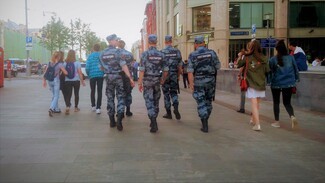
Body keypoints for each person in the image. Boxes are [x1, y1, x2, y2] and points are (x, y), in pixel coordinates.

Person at [100, 34, 134, 131]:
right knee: (120, 97)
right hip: (118, 77)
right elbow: (123, 65)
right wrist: (130, 78)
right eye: (116, 40)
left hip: (108, 77)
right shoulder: (118, 52)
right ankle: (119, 120)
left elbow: (101, 67)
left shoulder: (102, 53)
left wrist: (107, 71)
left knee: (110, 98)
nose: (117, 41)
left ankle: (112, 121)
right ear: (111, 41)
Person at [187, 35, 221, 133]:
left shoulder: (192, 55)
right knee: (208, 101)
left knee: (201, 102)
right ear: (204, 43)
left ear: (196, 44)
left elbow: (190, 71)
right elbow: (218, 66)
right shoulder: (212, 53)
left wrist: (191, 83)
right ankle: (206, 117)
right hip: (210, 81)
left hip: (199, 81)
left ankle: (204, 123)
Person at [237, 40, 270, 131]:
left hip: (251, 83)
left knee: (254, 104)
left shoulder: (247, 57)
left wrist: (240, 56)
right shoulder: (264, 58)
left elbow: (238, 65)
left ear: (251, 47)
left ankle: (258, 124)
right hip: (261, 83)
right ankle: (253, 119)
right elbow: (267, 70)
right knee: (257, 104)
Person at [138, 34, 168, 133]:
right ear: (156, 42)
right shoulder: (161, 54)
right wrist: (163, 79)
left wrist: (139, 83)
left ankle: (153, 121)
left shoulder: (145, 54)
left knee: (149, 101)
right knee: (156, 101)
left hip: (147, 81)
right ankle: (154, 118)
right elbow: (166, 70)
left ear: (149, 42)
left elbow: (141, 70)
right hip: (156, 81)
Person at [268, 40, 299, 128]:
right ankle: (292, 116)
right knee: (287, 103)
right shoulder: (291, 58)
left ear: (277, 49)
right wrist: (296, 80)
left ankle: (277, 122)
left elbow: (270, 72)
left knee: (276, 102)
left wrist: (268, 82)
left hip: (276, 83)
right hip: (289, 83)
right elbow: (296, 69)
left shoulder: (273, 59)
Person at [161, 35, 182, 120]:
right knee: (174, 92)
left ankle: (168, 113)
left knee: (166, 94)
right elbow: (180, 67)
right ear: (171, 41)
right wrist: (178, 76)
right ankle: (176, 108)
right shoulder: (177, 51)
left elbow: (160, 66)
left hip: (165, 76)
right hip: (174, 75)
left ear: (165, 42)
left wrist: (161, 78)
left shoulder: (161, 52)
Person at [42, 51, 68, 117]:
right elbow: (66, 73)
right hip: (56, 81)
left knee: (54, 95)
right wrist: (62, 71)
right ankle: (51, 108)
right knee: (56, 96)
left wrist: (44, 81)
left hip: (49, 81)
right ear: (58, 57)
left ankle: (56, 109)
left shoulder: (49, 63)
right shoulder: (59, 64)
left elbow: (45, 73)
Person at [63, 50, 85, 115]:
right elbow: (80, 73)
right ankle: (76, 108)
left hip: (67, 81)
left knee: (68, 95)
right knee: (76, 94)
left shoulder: (65, 63)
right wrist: (82, 81)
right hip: (76, 81)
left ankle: (67, 107)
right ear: (74, 55)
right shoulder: (77, 63)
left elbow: (63, 73)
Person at [86, 43, 105, 114]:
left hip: (92, 75)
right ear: (99, 48)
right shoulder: (101, 55)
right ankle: (98, 108)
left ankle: (93, 106)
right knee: (99, 91)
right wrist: (103, 73)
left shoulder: (90, 56)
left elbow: (87, 67)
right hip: (100, 75)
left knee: (92, 90)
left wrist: (89, 74)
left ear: (93, 48)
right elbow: (104, 65)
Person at [118, 39, 134, 117]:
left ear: (118, 45)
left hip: (119, 77)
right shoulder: (129, 54)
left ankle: (120, 112)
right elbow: (132, 64)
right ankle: (128, 111)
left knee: (120, 94)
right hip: (128, 76)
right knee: (128, 93)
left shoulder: (116, 53)